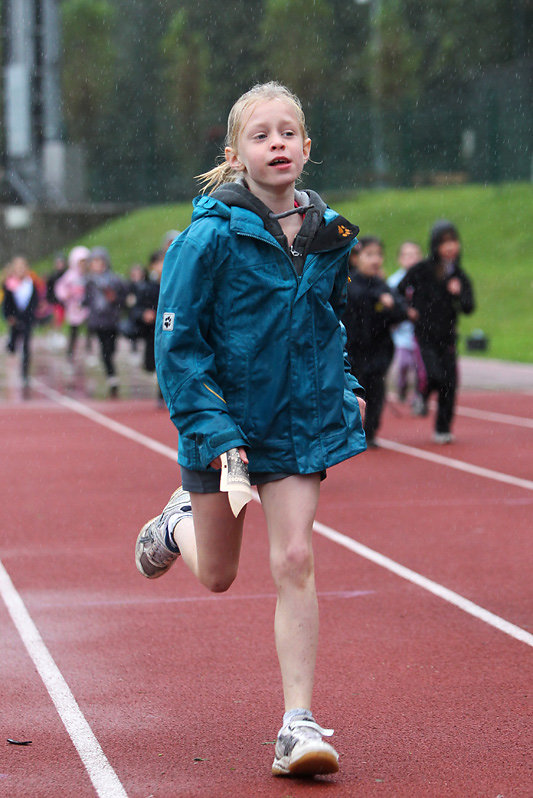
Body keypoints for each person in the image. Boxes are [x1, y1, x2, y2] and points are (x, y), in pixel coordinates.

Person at [134, 82, 366, 777]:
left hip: (298, 424)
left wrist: (345, 388)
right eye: (261, 135)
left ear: (306, 147)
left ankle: (297, 724)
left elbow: (329, 323)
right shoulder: (206, 238)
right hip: (224, 429)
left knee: (295, 557)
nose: (277, 144)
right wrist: (213, 429)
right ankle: (176, 523)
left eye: (288, 132)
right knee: (218, 575)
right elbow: (178, 346)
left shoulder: (329, 234)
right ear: (236, 155)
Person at [397, 220, 475, 443]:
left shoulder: (458, 274)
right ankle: (421, 395)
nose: (450, 247)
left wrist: (458, 293)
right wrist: (408, 310)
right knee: (433, 375)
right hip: (424, 335)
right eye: (444, 242)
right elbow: (399, 290)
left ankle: (443, 428)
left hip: (448, 337)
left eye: (453, 241)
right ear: (435, 245)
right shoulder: (421, 269)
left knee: (449, 384)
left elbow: (469, 307)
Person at [343, 236, 408, 447]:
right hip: (353, 349)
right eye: (369, 255)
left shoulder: (382, 285)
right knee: (355, 390)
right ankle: (352, 431)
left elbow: (402, 311)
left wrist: (390, 306)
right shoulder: (349, 282)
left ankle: (370, 432)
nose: (375, 260)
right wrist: (377, 299)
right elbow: (354, 302)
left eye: (378, 255)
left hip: (379, 349)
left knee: (376, 390)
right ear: (356, 258)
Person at [387, 241, 427, 410]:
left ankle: (416, 395)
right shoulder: (394, 281)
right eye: (407, 255)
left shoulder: (425, 280)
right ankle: (400, 388)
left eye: (415, 255)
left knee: (419, 367)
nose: (412, 259)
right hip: (400, 333)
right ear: (400, 259)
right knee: (402, 364)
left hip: (419, 333)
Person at [84, 247, 126, 397]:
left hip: (112, 320)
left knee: (112, 348)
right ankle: (111, 377)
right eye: (94, 261)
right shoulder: (89, 281)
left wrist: (115, 299)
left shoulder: (115, 280)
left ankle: (111, 370)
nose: (97, 265)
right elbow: (87, 300)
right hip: (98, 321)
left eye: (99, 261)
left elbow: (123, 299)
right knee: (105, 350)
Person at [2, 255, 39, 397]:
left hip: (27, 319)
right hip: (15, 320)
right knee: (13, 344)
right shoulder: (10, 284)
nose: (20, 270)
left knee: (26, 346)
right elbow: (7, 303)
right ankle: (10, 348)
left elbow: (34, 301)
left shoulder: (31, 284)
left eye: (22, 267)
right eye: (17, 268)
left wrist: (32, 315)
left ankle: (24, 374)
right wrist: (9, 316)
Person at [54, 246, 91, 361]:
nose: (83, 265)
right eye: (81, 262)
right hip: (74, 308)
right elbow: (60, 288)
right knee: (74, 332)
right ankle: (70, 354)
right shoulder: (70, 275)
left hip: (88, 308)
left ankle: (89, 351)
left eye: (85, 262)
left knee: (90, 330)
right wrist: (67, 294)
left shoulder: (89, 276)